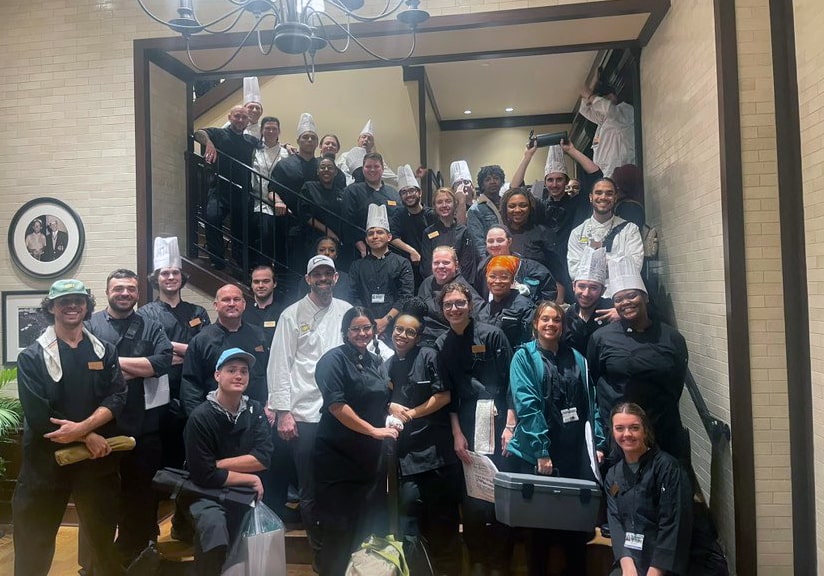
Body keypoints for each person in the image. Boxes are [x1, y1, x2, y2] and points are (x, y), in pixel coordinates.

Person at [13, 279, 127, 576]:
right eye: (64, 301)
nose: (72, 306)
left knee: (102, 542)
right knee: (33, 542)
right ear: (51, 307)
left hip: (96, 464)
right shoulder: (32, 356)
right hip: (45, 465)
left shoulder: (104, 351)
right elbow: (39, 416)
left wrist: (83, 430)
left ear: (88, 305)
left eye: (78, 300)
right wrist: (87, 434)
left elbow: (117, 396)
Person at [507, 300, 604, 576]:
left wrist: (596, 443)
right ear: (535, 324)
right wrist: (541, 451)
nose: (551, 324)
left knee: (574, 532)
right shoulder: (523, 357)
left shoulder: (577, 358)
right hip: (538, 455)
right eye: (545, 319)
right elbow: (527, 405)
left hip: (572, 453)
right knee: (539, 533)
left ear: (563, 326)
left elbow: (591, 403)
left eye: (557, 320)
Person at [268, 254, 353, 563]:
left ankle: (341, 549)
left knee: (341, 484)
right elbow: (279, 364)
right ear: (308, 279)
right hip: (304, 414)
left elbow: (364, 348)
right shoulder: (292, 314)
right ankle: (320, 557)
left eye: (327, 274)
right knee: (310, 489)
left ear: (335, 277)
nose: (323, 279)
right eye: (317, 274)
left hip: (342, 414)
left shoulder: (346, 312)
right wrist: (283, 411)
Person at [87, 269, 173, 566]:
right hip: (98, 427)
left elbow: (162, 362)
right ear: (108, 290)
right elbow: (82, 368)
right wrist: (138, 367)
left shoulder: (151, 326)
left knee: (141, 493)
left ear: (138, 293)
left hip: (143, 426)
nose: (125, 293)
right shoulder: (90, 324)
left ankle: (136, 554)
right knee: (100, 498)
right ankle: (98, 562)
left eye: (131, 289)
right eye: (119, 288)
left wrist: (108, 364)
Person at [313, 306, 399, 576]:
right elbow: (337, 407)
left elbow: (380, 399)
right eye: (356, 329)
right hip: (337, 459)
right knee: (338, 531)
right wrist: (374, 431)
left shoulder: (375, 360)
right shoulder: (333, 360)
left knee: (363, 528)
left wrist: (393, 411)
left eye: (366, 328)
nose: (362, 333)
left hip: (368, 460)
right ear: (345, 332)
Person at [435, 282, 513, 576]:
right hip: (465, 423)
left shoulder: (492, 335)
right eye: (448, 305)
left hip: (498, 421)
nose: (454, 309)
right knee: (471, 496)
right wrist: (456, 433)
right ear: (442, 310)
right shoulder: (442, 344)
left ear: (470, 304)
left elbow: (509, 382)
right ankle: (478, 559)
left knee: (499, 492)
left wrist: (510, 424)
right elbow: (449, 394)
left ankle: (500, 562)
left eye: (459, 303)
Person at [181, 347, 274, 576]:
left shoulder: (255, 411)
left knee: (246, 539)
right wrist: (250, 477)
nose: (239, 376)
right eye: (231, 370)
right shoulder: (200, 417)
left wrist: (217, 464)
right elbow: (203, 475)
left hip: (239, 491)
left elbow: (263, 458)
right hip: (203, 492)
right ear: (217, 375)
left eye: (244, 371)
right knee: (214, 529)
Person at [588, 257, 690, 464]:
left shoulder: (671, 337)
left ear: (645, 297)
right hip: (618, 432)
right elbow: (594, 378)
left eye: (631, 296)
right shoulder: (601, 338)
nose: (625, 303)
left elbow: (676, 382)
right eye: (618, 299)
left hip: (662, 428)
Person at [387, 298, 461, 574]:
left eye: (409, 332)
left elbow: (443, 396)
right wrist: (389, 405)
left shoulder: (429, 356)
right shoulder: (388, 364)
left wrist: (411, 413)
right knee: (408, 528)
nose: (402, 335)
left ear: (418, 337)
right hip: (406, 462)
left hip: (437, 459)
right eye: (398, 329)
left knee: (444, 527)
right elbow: (380, 398)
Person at [139, 236, 211, 468]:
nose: (170, 277)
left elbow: (205, 351)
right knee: (160, 449)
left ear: (182, 278)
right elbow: (149, 352)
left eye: (175, 273)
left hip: (193, 389)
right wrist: (185, 352)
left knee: (192, 445)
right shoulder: (145, 314)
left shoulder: (197, 311)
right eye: (164, 273)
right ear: (156, 279)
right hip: (157, 390)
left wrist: (168, 350)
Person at [605, 403, 692, 576]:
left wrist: (656, 570)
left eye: (634, 428)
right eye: (620, 428)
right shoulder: (613, 475)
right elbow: (615, 522)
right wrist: (627, 565)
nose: (627, 434)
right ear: (613, 432)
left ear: (645, 430)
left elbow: (673, 523)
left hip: (663, 560)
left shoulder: (667, 468)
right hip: (630, 557)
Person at [181, 284, 271, 415]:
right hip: (214, 417)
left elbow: (271, 373)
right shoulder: (201, 340)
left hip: (255, 415)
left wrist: (271, 404)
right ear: (216, 305)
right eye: (226, 300)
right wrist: (197, 417)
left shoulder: (259, 335)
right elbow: (190, 384)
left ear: (244, 304)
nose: (232, 303)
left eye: (236, 299)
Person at [194, 105, 259, 270]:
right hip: (219, 188)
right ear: (230, 117)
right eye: (237, 116)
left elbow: (270, 146)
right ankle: (217, 260)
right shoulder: (219, 134)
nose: (240, 120)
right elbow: (198, 133)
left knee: (241, 230)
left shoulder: (250, 141)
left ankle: (239, 263)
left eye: (244, 118)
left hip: (242, 191)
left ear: (247, 122)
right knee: (212, 217)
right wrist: (209, 143)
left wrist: (287, 146)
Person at [567, 177, 644, 296]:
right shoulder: (577, 233)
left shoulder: (630, 230)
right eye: (598, 193)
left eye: (609, 193)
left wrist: (592, 265)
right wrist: (617, 263)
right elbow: (575, 271)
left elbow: (634, 268)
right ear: (590, 197)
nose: (603, 197)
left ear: (615, 198)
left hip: (621, 298)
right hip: (589, 298)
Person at [349, 204, 414, 338]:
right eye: (371, 233)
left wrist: (385, 321)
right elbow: (353, 296)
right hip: (365, 329)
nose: (375, 236)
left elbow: (405, 296)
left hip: (395, 327)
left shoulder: (402, 263)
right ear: (366, 240)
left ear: (389, 237)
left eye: (379, 232)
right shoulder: (357, 266)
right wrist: (368, 322)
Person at [500, 186, 565, 299]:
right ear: (505, 209)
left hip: (539, 296)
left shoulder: (543, 233)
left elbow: (558, 272)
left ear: (530, 207)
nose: (517, 210)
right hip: (505, 296)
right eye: (512, 206)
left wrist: (558, 303)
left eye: (523, 205)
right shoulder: (500, 234)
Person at [417, 246, 485, 345]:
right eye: (436, 263)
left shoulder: (463, 289)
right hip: (422, 338)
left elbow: (480, 315)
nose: (440, 266)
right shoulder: (426, 283)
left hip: (448, 342)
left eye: (446, 262)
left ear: (456, 265)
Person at [476, 225, 557, 304]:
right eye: (490, 241)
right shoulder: (482, 268)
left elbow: (549, 290)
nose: (495, 244)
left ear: (509, 241)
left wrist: (535, 311)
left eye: (500, 240)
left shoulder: (528, 267)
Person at [342, 151, 401, 258]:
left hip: (392, 251)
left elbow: (400, 222)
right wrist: (361, 246)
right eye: (368, 166)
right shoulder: (352, 191)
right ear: (363, 169)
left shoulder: (393, 193)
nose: (372, 170)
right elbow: (347, 223)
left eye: (376, 166)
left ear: (382, 169)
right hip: (362, 252)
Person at [250, 115, 290, 265]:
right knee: (264, 232)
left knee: (281, 237)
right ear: (261, 130)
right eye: (267, 128)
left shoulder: (286, 153)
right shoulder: (254, 150)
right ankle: (262, 266)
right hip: (258, 198)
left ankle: (278, 270)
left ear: (279, 131)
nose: (271, 131)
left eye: (274, 129)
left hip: (280, 200)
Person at [389, 164, 436, 288]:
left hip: (431, 266)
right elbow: (392, 236)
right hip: (408, 267)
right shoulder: (399, 214)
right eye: (404, 192)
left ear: (419, 192)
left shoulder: (431, 214)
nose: (408, 195)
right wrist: (412, 251)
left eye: (411, 190)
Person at [420, 186, 476, 285]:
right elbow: (426, 266)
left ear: (455, 204)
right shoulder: (428, 233)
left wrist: (456, 287)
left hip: (459, 287)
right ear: (434, 206)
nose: (444, 205)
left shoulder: (464, 232)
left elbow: (468, 265)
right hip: (435, 287)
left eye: (448, 201)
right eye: (439, 202)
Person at [565, 246, 616, 354]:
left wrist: (623, 314)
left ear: (603, 290)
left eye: (593, 288)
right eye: (582, 286)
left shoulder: (613, 307)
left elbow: (651, 314)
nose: (586, 293)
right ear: (574, 286)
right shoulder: (570, 313)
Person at [579, 82, 636, 179]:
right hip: (605, 177)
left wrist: (591, 96)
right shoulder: (601, 122)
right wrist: (591, 88)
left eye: (596, 102)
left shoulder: (624, 111)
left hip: (622, 175)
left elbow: (609, 110)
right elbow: (584, 110)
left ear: (611, 97)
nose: (594, 107)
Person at [478, 255, 535, 349]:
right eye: (492, 276)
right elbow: (481, 345)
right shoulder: (484, 310)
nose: (497, 281)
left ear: (512, 280)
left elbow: (530, 343)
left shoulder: (524, 307)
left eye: (504, 277)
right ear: (486, 278)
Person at [297, 153, 347, 256]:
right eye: (322, 167)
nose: (326, 170)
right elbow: (304, 214)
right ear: (317, 172)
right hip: (312, 238)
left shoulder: (342, 193)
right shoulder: (309, 187)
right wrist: (328, 231)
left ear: (336, 172)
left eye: (330, 167)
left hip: (335, 241)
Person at [336, 119, 399, 187]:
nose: (366, 140)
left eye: (369, 139)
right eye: (363, 137)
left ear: (372, 144)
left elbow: (391, 177)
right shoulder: (345, 156)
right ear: (358, 140)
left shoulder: (376, 160)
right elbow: (335, 173)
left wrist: (406, 181)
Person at [295, 236, 356, 303]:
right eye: (322, 250)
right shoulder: (306, 280)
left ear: (336, 255)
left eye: (332, 250)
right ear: (316, 253)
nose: (327, 253)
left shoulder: (346, 279)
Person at [466, 164, 507, 261]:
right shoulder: (475, 209)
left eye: (496, 178)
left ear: (502, 182)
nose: (492, 182)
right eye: (487, 180)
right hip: (491, 260)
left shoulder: (507, 204)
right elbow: (478, 244)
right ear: (482, 184)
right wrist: (487, 264)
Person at [241, 264, 283, 344]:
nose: (260, 285)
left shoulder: (284, 312)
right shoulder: (242, 311)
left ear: (274, 284)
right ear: (251, 285)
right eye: (256, 282)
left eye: (266, 281)